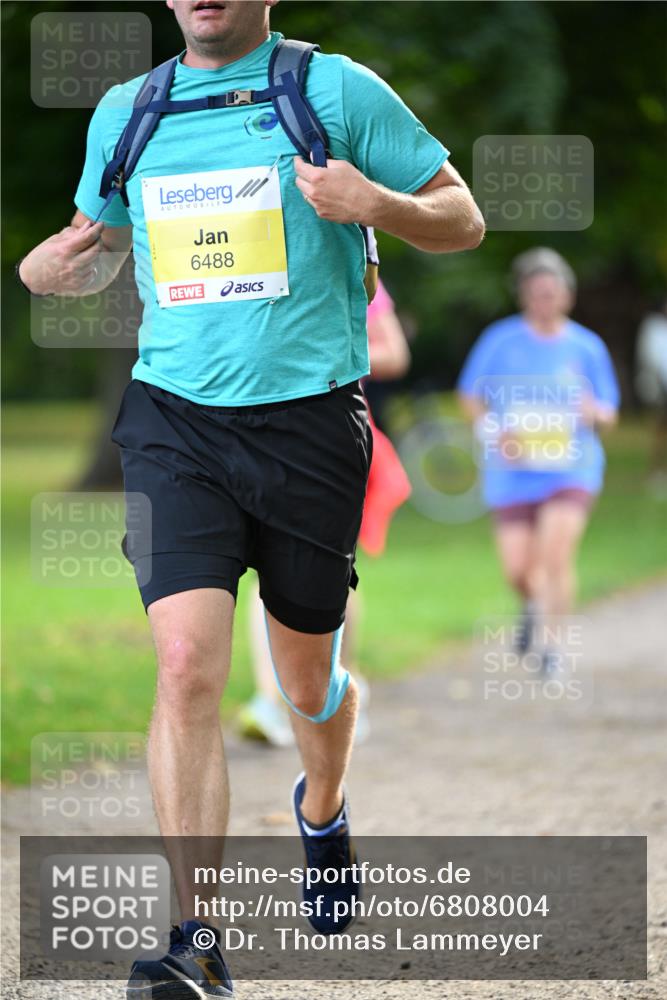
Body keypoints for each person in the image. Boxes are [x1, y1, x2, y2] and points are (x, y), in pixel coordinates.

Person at [18, 2, 484, 996]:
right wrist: (52, 265)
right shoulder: (129, 111)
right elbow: (95, 238)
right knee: (186, 665)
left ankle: (323, 801)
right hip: (173, 422)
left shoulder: (337, 90)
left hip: (310, 425)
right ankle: (196, 938)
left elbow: (463, 215)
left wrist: (377, 203)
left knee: (306, 680)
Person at [239, 280, 412, 747]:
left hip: (335, 436)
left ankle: (341, 683)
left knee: (334, 570)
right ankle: (271, 699)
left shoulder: (354, 261)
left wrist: (318, 355)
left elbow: (394, 352)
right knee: (266, 571)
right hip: (258, 435)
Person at [458, 248, 619, 670]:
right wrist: (494, 431)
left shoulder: (587, 347)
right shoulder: (500, 340)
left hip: (571, 468)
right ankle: (533, 605)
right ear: (524, 296)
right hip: (512, 471)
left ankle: (552, 648)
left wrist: (595, 414)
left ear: (568, 295)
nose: (545, 300)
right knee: (519, 569)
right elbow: (470, 397)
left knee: (556, 555)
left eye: (552, 292)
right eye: (536, 292)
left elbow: (608, 411)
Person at [635, 297, 667, 495]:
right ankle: (657, 472)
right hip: (661, 389)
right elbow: (652, 359)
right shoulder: (654, 328)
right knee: (661, 432)